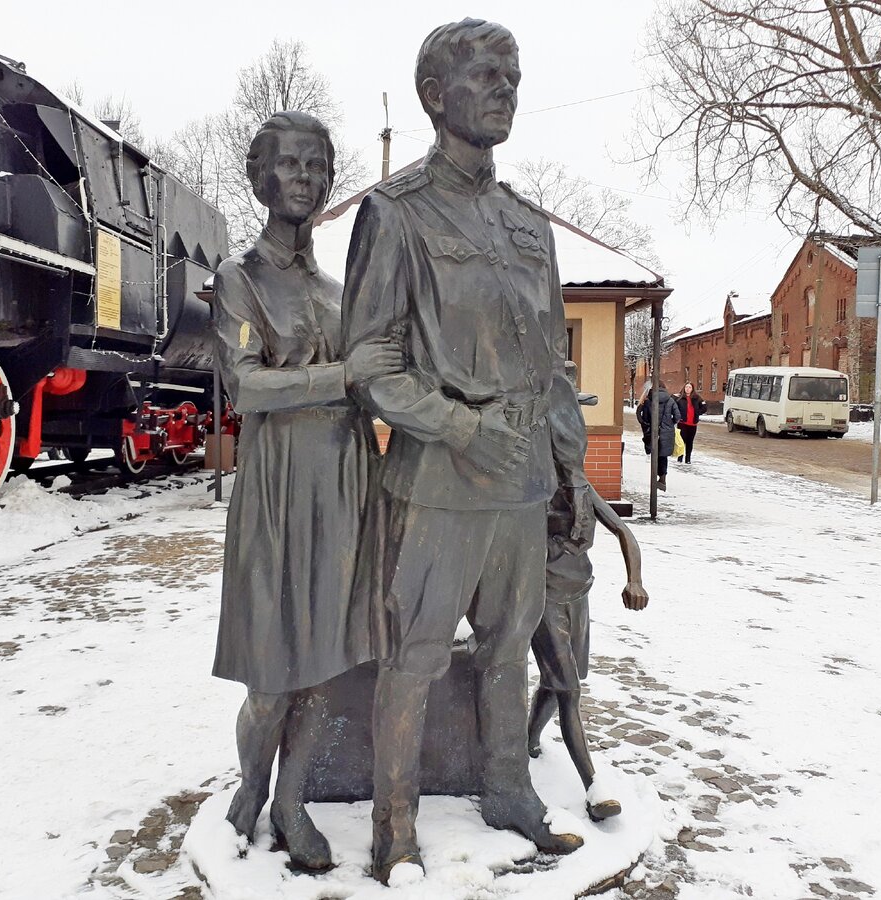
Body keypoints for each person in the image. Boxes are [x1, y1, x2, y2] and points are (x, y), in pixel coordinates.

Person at [341, 18, 592, 884]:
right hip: (440, 476)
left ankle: (508, 792)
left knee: (509, 643)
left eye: (513, 77)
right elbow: (370, 363)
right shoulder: (395, 212)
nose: (504, 89)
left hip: (520, 479)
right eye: (486, 76)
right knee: (412, 656)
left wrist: (570, 470)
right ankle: (395, 825)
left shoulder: (531, 227)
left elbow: (553, 366)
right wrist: (455, 424)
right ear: (434, 96)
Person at [210, 111, 404, 872]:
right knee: (272, 671)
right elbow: (248, 387)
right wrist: (341, 376)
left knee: (325, 662)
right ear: (261, 176)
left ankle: (293, 800)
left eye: (316, 167)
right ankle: (251, 788)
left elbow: (376, 380)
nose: (304, 179)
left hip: (346, 483)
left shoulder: (340, 289)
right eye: (289, 165)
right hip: (279, 489)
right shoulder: (238, 278)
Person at [528, 484, 649, 821]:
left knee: (559, 683)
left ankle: (529, 740)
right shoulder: (529, 482)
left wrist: (634, 579)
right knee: (569, 691)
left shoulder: (580, 487)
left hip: (578, 595)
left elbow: (622, 530)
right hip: (544, 599)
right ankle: (594, 788)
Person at [636, 381, 682, 491]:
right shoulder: (670, 400)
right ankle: (662, 479)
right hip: (666, 431)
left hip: (652, 431)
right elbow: (677, 416)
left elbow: (641, 415)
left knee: (654, 453)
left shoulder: (648, 400)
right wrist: (669, 423)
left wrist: (645, 424)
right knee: (663, 455)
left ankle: (654, 476)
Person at [675, 381, 706, 463]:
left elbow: (704, 406)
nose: (687, 389)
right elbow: (674, 406)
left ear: (692, 389)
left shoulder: (697, 398)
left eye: (689, 387)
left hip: (692, 424)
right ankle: (680, 458)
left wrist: (698, 412)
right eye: (686, 387)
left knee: (690, 441)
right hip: (682, 423)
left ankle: (688, 459)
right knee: (681, 441)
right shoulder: (680, 398)